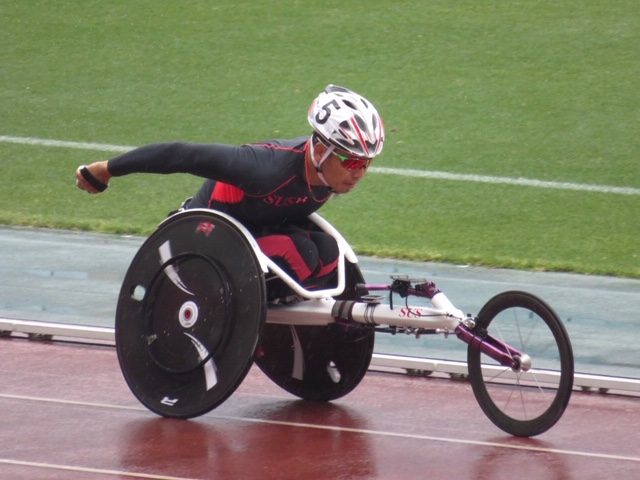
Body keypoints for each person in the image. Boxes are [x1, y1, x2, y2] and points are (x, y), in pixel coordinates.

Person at [75, 85, 385, 297]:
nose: (359, 172)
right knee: (302, 254)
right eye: (351, 159)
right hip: (196, 244)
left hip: (253, 234)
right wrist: (106, 169)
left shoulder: (329, 176)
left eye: (367, 163)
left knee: (329, 252)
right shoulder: (264, 168)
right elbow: (181, 154)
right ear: (320, 149)